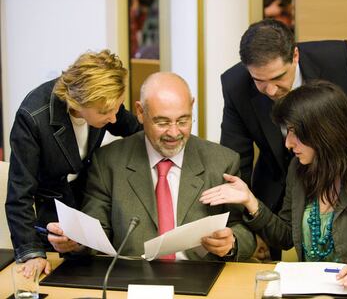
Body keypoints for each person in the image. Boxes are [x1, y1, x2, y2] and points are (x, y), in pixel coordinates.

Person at [201, 80, 347, 292]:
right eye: (287, 132)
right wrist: (250, 201)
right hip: (308, 288)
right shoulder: (299, 169)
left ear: (325, 132)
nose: (288, 143)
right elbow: (285, 236)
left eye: (295, 132)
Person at [47, 72, 256, 261]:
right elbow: (95, 231)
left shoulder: (222, 161)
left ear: (192, 106)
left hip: (200, 279)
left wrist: (232, 243)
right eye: (162, 122)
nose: (174, 133)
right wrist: (75, 241)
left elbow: (245, 233)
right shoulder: (108, 161)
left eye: (183, 120)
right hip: (131, 280)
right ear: (140, 112)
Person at [220, 18, 347, 220]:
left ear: (295, 55)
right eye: (259, 80)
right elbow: (235, 160)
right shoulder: (235, 84)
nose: (270, 90)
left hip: (344, 189)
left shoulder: (336, 59)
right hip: (276, 197)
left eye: (278, 78)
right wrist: (244, 226)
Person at [5, 49, 141, 276]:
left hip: (87, 210)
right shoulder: (32, 117)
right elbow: (19, 194)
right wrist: (31, 252)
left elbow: (134, 128)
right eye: (107, 112)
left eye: (118, 106)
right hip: (50, 221)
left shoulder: (105, 104)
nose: (114, 117)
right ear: (79, 103)